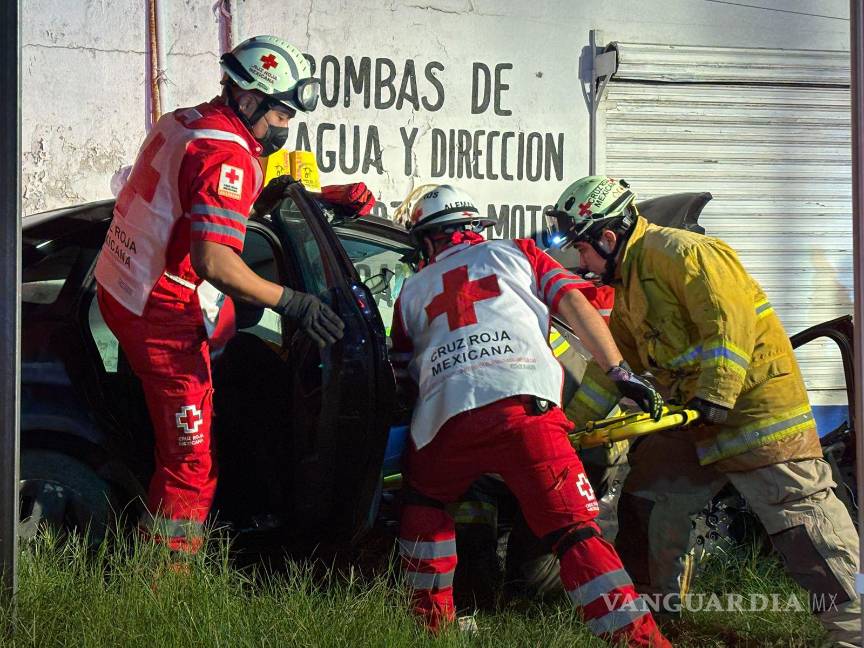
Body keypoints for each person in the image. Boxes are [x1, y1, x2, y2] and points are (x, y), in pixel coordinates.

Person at [549, 175, 861, 646]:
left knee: (806, 530)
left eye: (584, 250)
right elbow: (611, 370)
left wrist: (714, 394)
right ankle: (650, 623)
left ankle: (854, 633)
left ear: (608, 238)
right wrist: (567, 429)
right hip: (695, 422)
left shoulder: (683, 252)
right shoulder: (631, 285)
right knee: (647, 502)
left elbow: (727, 324)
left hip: (757, 419)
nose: (581, 263)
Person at [94, 35, 372, 552]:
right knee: (192, 468)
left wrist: (306, 198)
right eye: (283, 113)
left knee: (233, 359)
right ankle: (163, 588)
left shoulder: (185, 120)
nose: (287, 127)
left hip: (122, 287)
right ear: (249, 100)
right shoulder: (227, 155)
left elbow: (192, 197)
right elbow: (215, 262)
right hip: (161, 313)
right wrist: (294, 301)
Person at [389, 184, 670, 646]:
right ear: (474, 228)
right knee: (574, 534)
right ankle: (640, 641)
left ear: (427, 240)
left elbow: (402, 375)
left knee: (423, 505)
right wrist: (620, 372)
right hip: (524, 410)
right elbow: (577, 303)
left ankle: (429, 629)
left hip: (444, 421)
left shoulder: (412, 292)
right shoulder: (518, 253)